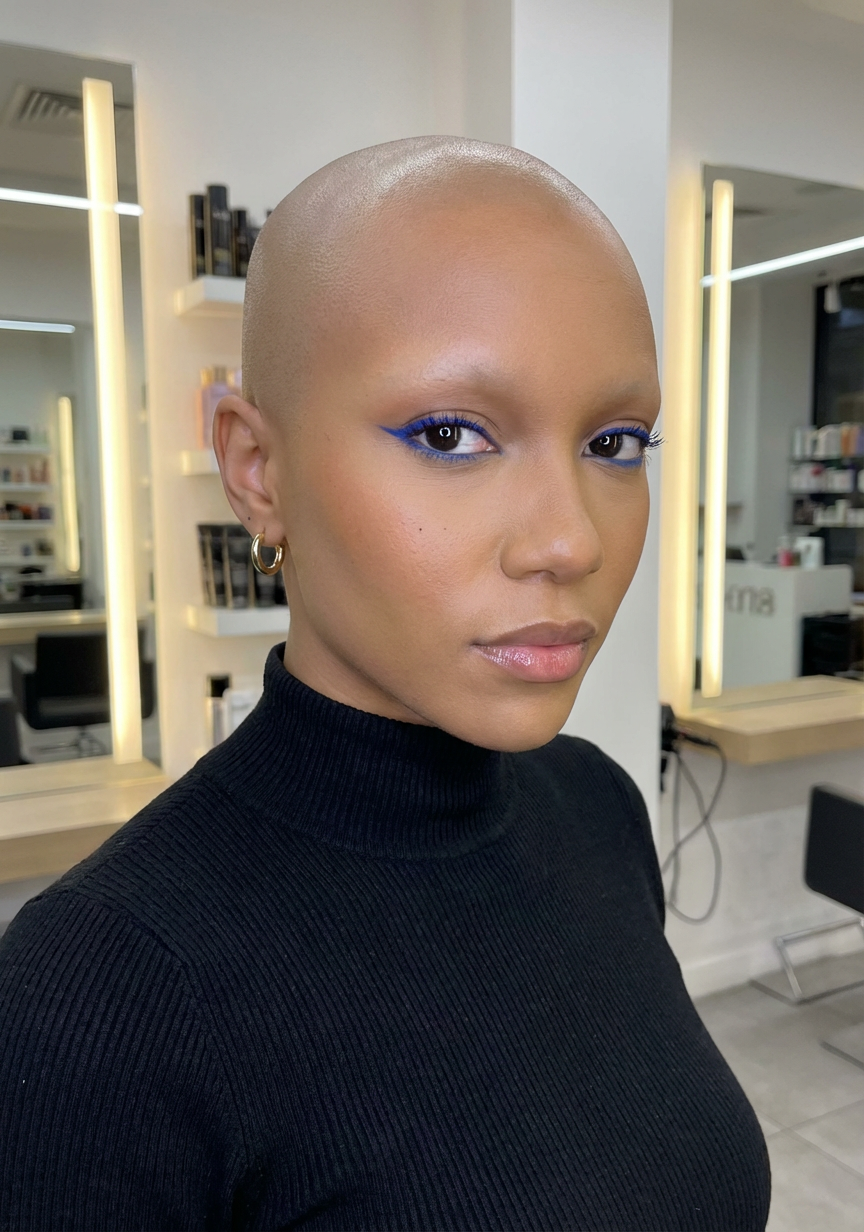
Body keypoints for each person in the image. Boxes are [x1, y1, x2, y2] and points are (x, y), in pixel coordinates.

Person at [0, 137, 770, 1231]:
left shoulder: (598, 807)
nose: (568, 538)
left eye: (613, 439)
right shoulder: (99, 994)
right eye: (452, 433)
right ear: (256, 469)